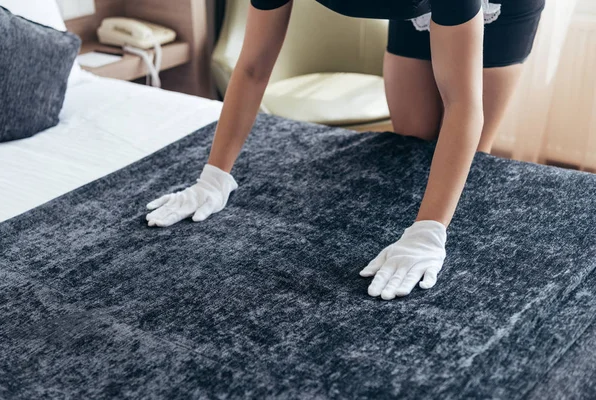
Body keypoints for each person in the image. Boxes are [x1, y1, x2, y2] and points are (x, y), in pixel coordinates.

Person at [145, 0, 545, 300]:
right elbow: (252, 67)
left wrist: (428, 232)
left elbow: (463, 103)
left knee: (472, 161)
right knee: (408, 146)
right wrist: (214, 176)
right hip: (410, 7)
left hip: (501, 6)